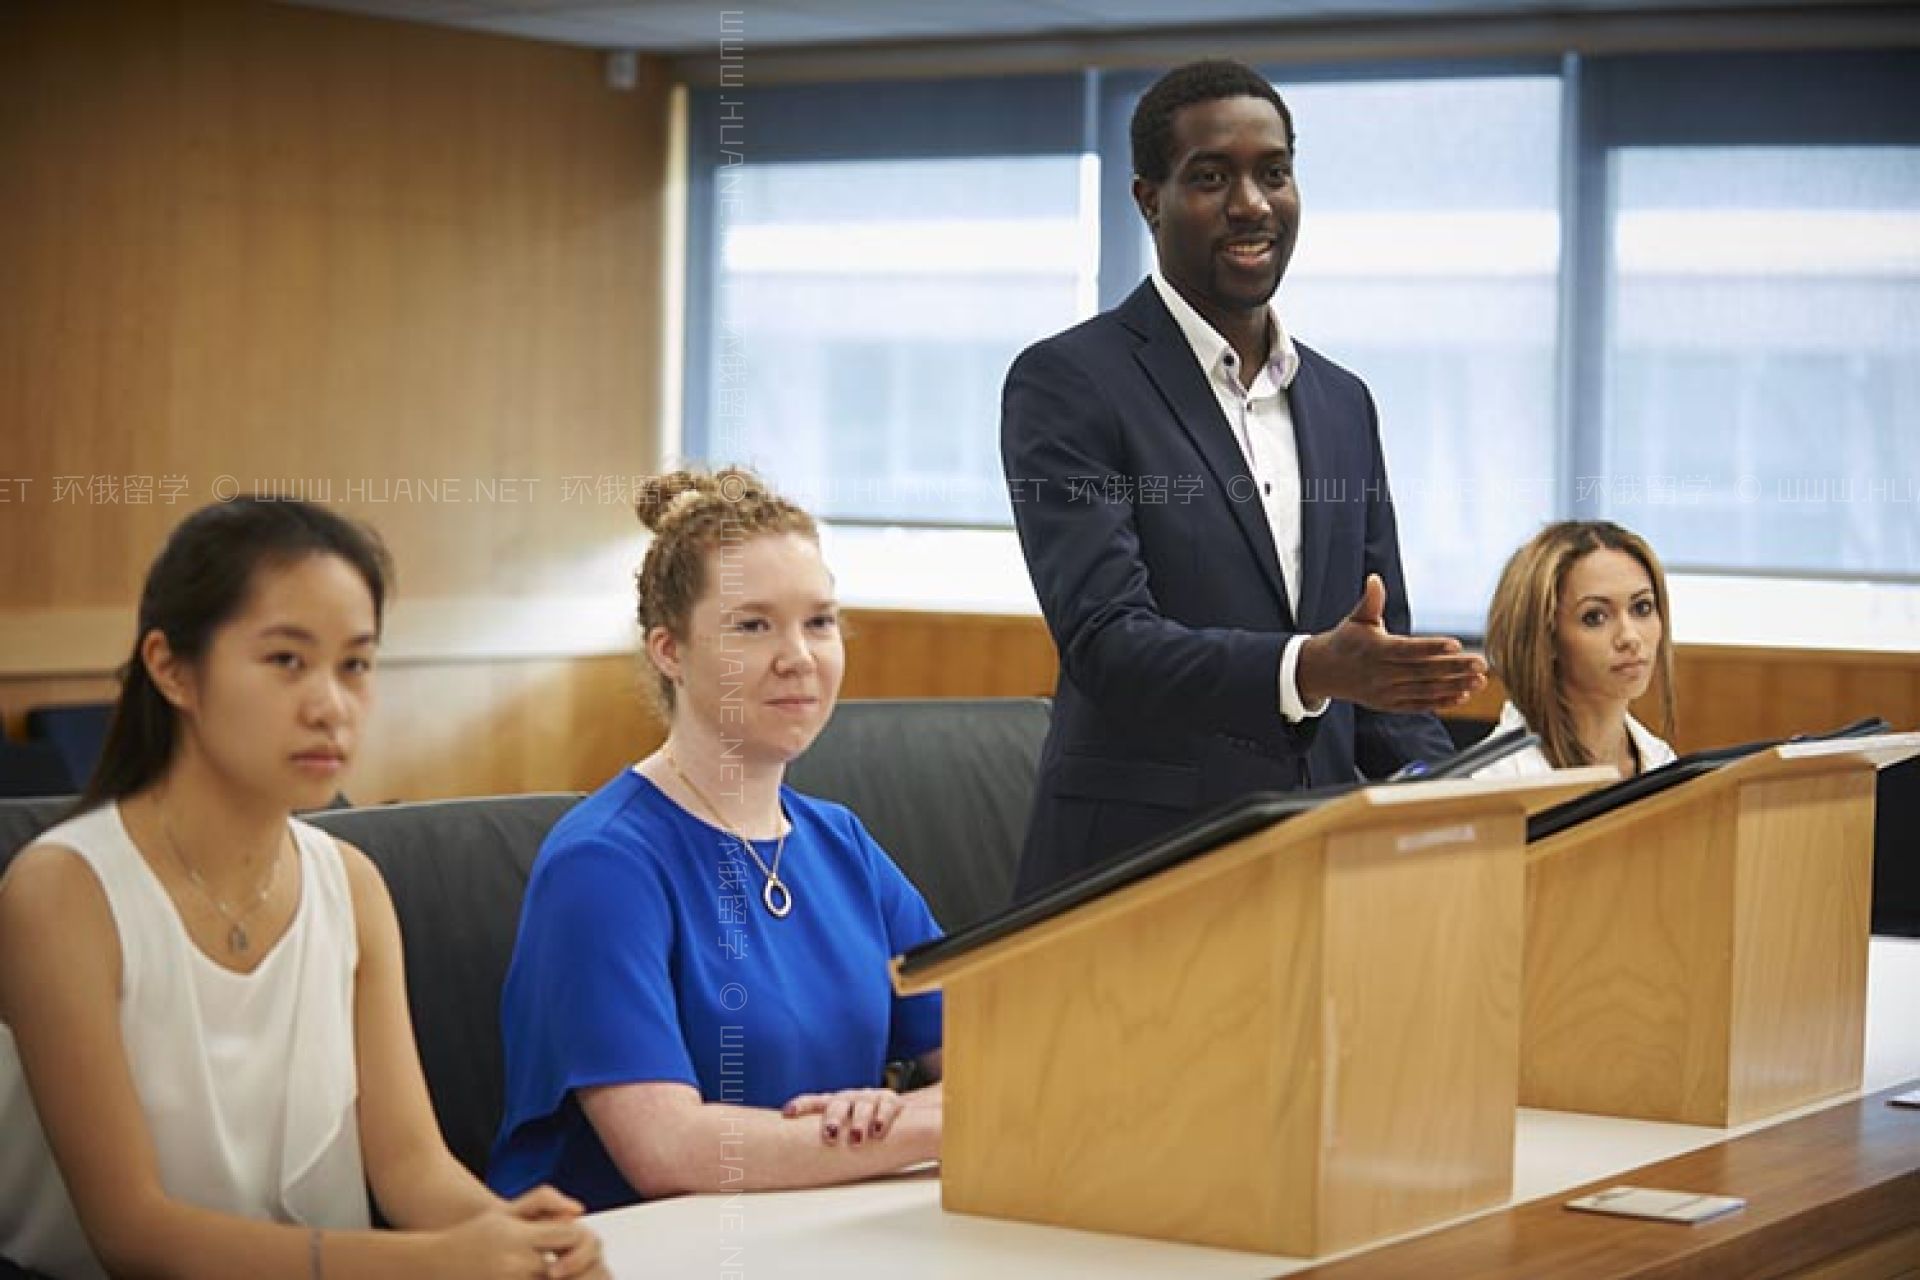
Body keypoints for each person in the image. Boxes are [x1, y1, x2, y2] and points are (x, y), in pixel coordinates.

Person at [0, 498, 604, 1280]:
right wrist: (433, 1263)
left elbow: (411, 1166)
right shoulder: (62, 892)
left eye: (354, 665)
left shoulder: (350, 885)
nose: (331, 706)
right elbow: (133, 1231)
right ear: (172, 668)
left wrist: (515, 1236)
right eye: (287, 660)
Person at [1001, 58, 1485, 896]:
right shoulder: (1069, 383)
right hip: (1138, 871)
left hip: (1325, 863)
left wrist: (1460, 818)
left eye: (1275, 173)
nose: (1253, 204)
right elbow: (1109, 642)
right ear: (1148, 198)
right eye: (1212, 177)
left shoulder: (1342, 402)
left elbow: (1380, 674)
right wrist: (1308, 668)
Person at [488, 468, 944, 1212]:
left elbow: (994, 1064)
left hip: (822, 1234)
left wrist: (900, 1117)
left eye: (820, 621)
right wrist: (913, 1129)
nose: (798, 655)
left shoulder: (841, 841)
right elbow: (668, 1150)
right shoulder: (600, 865)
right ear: (669, 650)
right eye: (752, 625)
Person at [1475, 520, 1678, 779]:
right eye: (1594, 617)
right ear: (1545, 637)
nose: (1630, 637)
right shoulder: (1496, 779)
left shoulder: (1663, 763)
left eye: (1642, 608)